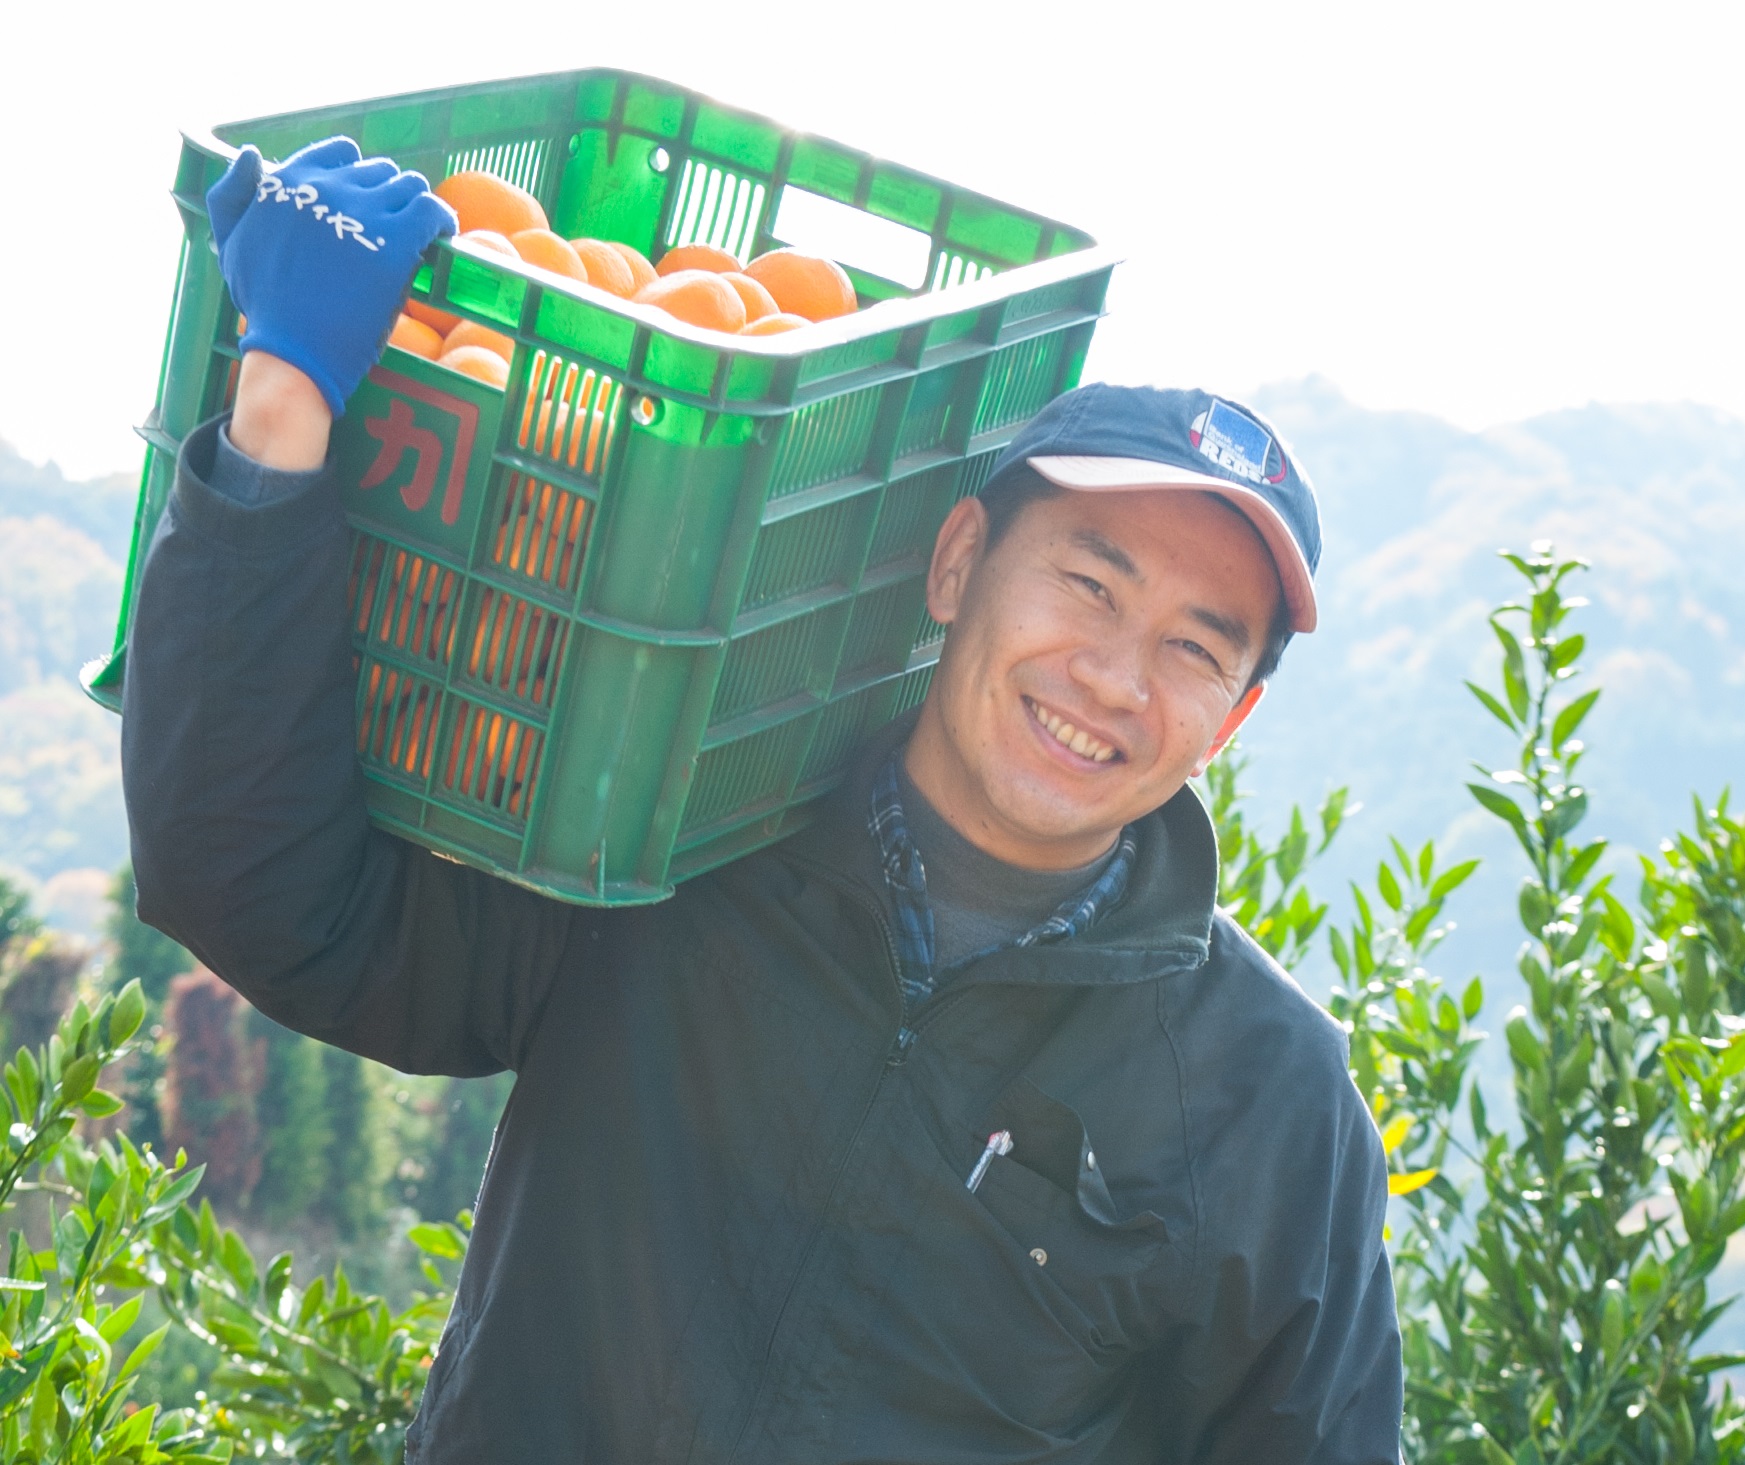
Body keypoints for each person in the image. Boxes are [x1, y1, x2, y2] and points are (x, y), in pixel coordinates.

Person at [122, 137, 1403, 1463]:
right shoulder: (669, 840)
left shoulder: (1265, 1097)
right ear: (959, 560)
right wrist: (281, 410)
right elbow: (263, 893)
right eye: (1089, 584)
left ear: (1233, 715)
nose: (1114, 677)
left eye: (1195, 649)